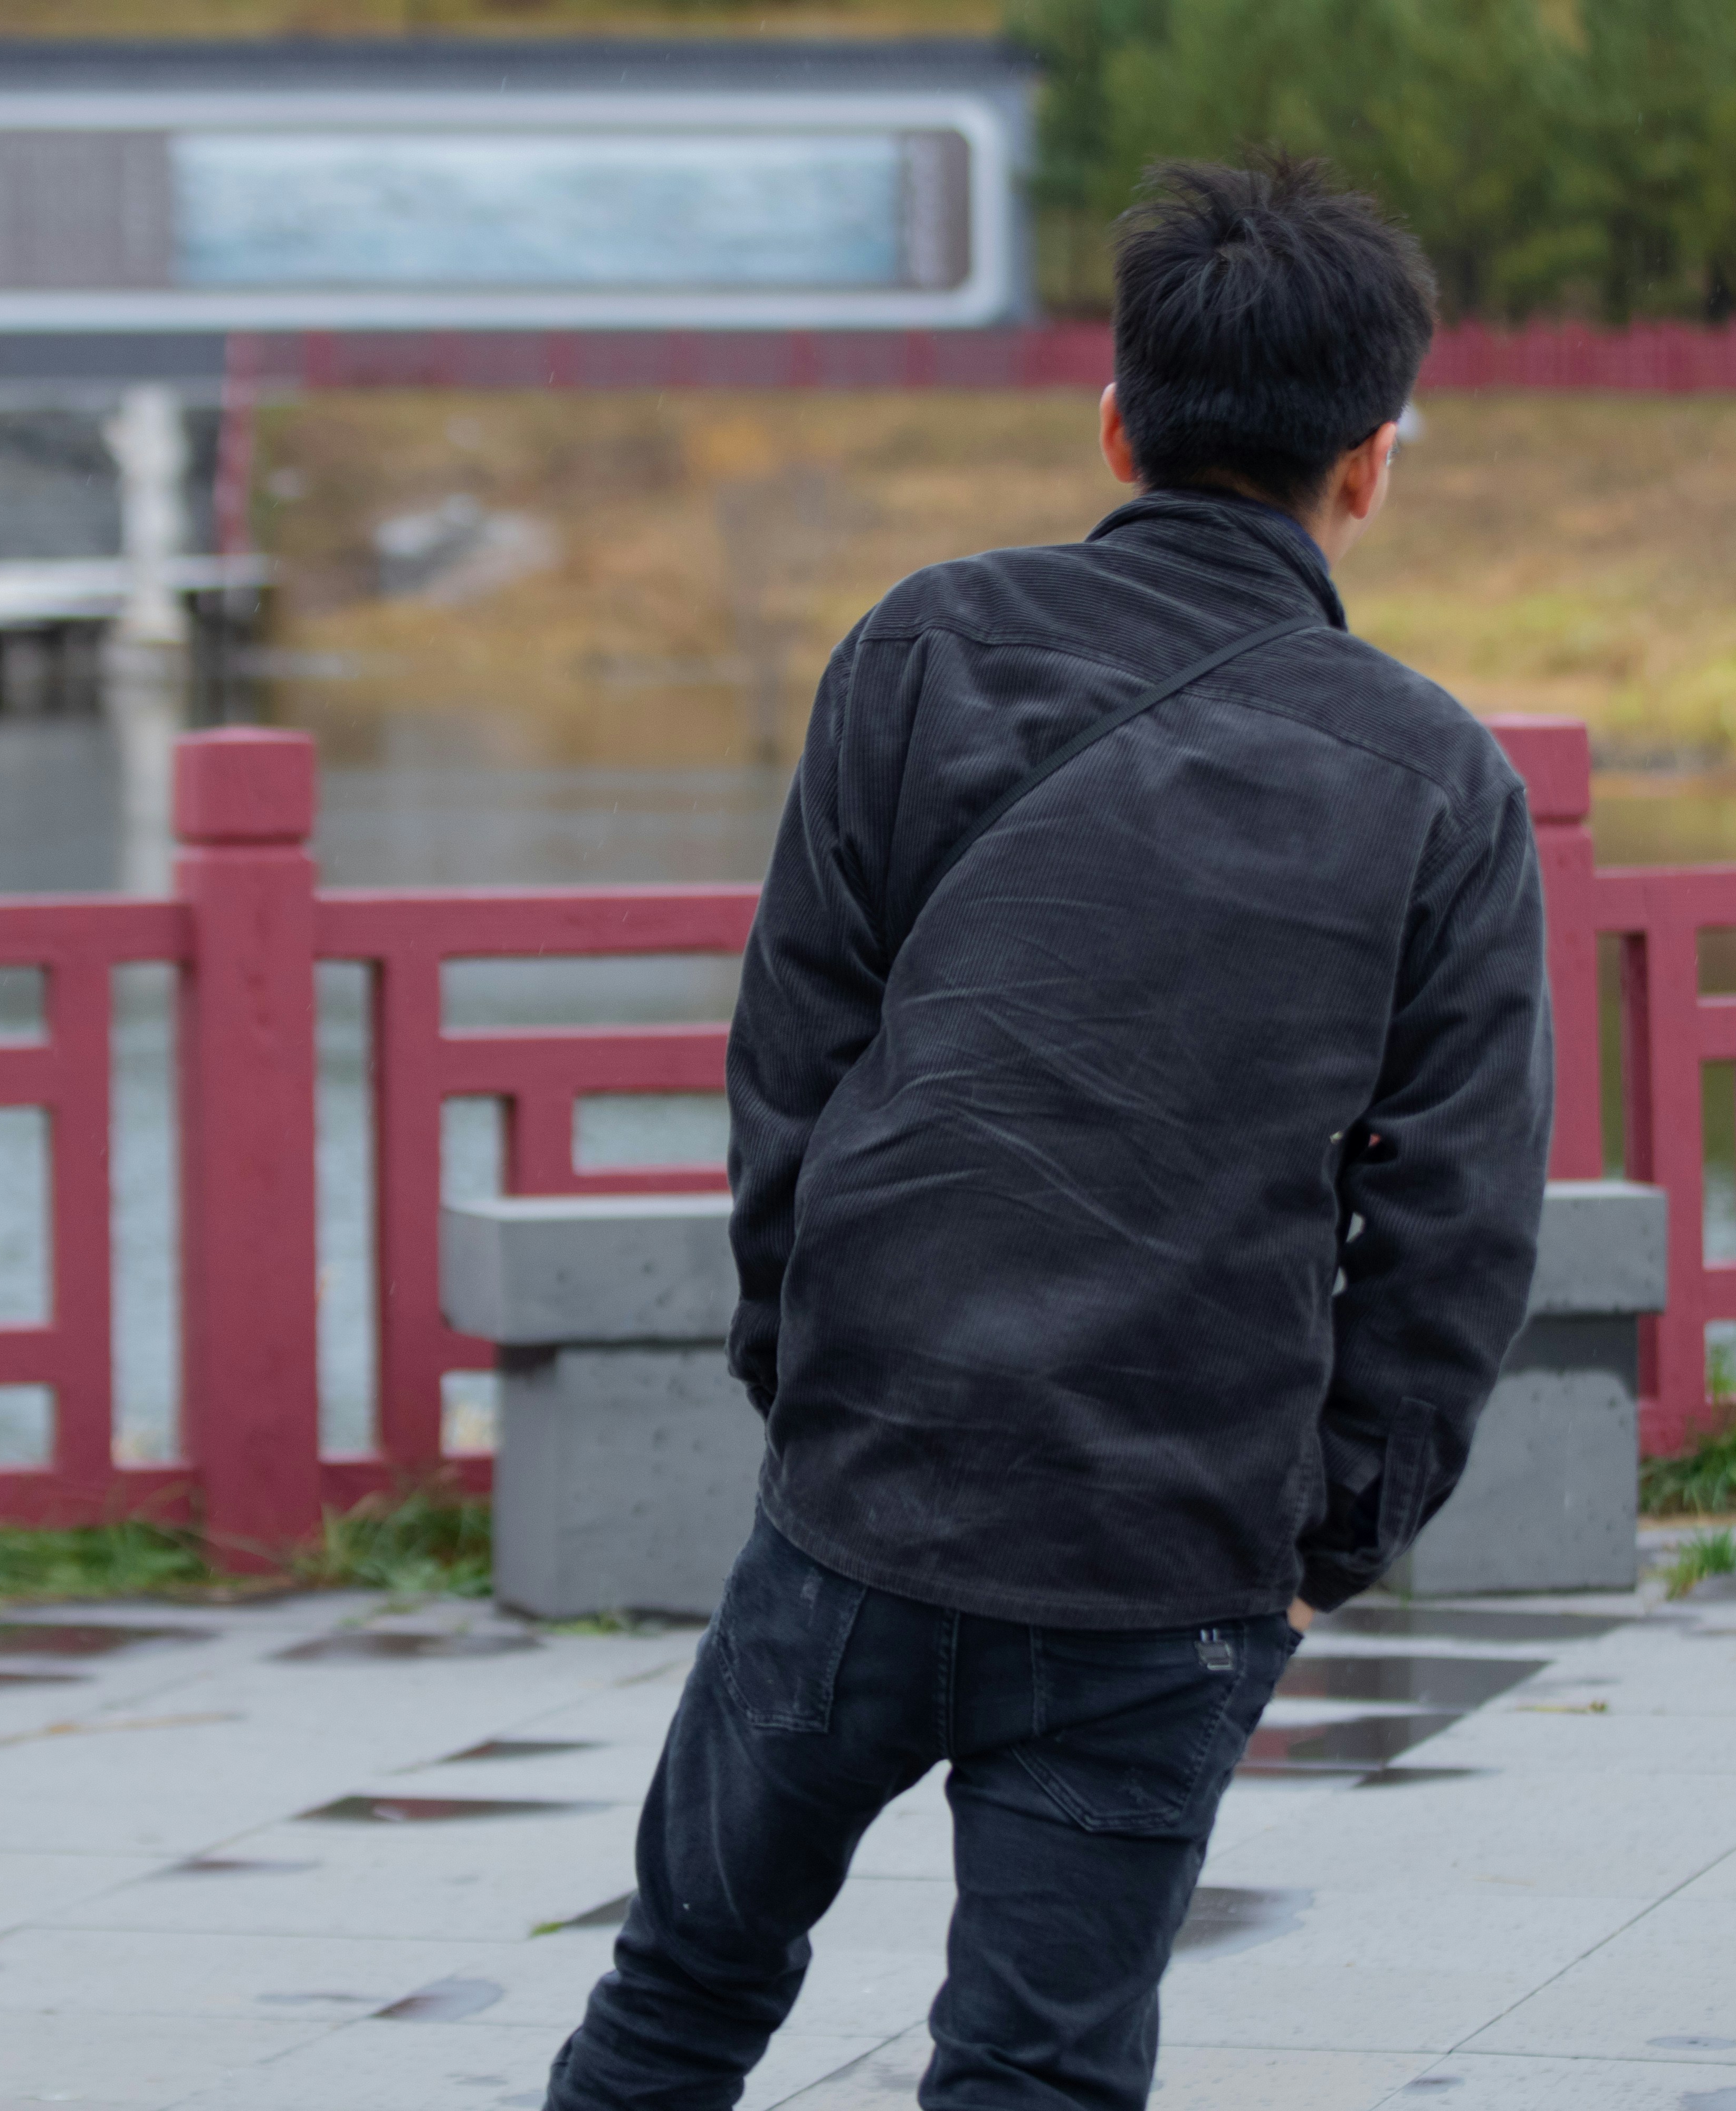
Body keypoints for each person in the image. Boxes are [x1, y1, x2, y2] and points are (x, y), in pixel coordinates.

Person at [543, 154, 1554, 2111]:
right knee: (1038, 2076)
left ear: (1115, 420)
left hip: (865, 1500)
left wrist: (810, 1381)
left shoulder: (918, 654)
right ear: (1376, 461)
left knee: (676, 2001)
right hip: (1164, 1556)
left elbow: (792, 1066)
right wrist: (1321, 1547)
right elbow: (1455, 1232)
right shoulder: (1440, 781)